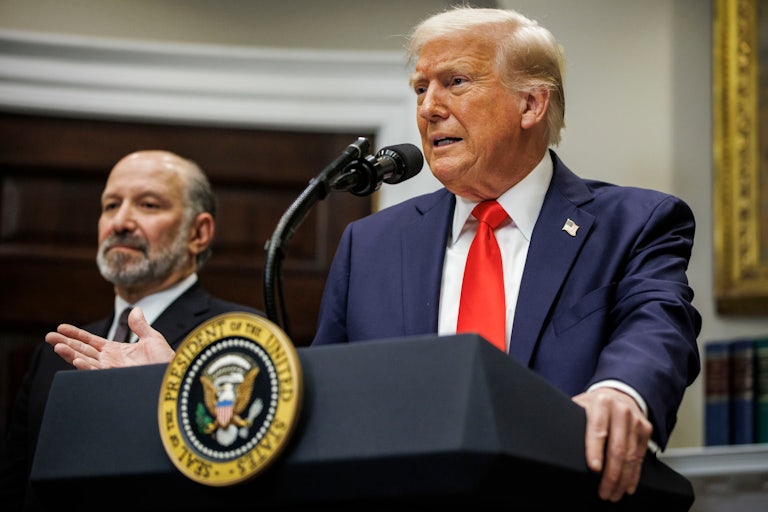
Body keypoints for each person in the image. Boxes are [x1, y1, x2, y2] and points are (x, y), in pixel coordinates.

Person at [43, 6, 702, 505]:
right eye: (419, 89)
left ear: (531, 102)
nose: (429, 108)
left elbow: (658, 323)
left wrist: (623, 391)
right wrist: (180, 384)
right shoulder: (371, 244)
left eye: (455, 82)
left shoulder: (633, 222)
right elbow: (324, 408)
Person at [0, 149, 263, 509]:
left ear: (198, 233)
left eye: (148, 205)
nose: (120, 222)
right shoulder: (54, 352)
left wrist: (168, 383)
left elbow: (249, 484)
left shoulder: (239, 336)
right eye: (110, 206)